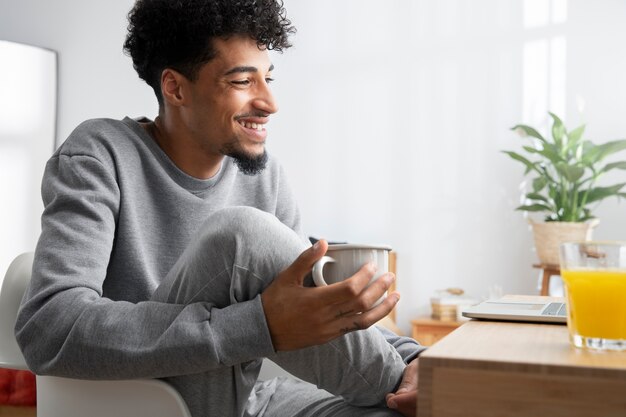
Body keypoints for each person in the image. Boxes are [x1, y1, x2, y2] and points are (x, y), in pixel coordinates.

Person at [14, 0, 425, 416]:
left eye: (268, 78)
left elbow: (312, 305)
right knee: (243, 236)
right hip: (145, 399)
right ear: (175, 88)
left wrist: (414, 359)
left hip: (250, 398)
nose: (270, 102)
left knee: (392, 412)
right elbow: (49, 329)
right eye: (243, 81)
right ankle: (411, 387)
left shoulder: (265, 175)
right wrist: (259, 326)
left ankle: (411, 384)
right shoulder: (100, 154)